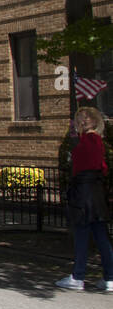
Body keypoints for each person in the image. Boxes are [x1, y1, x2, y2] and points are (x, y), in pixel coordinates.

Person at [57, 107, 113, 292]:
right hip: (96, 193)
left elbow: (79, 167)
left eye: (82, 120)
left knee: (81, 235)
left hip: (83, 193)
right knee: (101, 236)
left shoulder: (87, 141)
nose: (80, 123)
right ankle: (109, 277)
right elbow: (103, 167)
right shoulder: (97, 141)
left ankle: (78, 276)